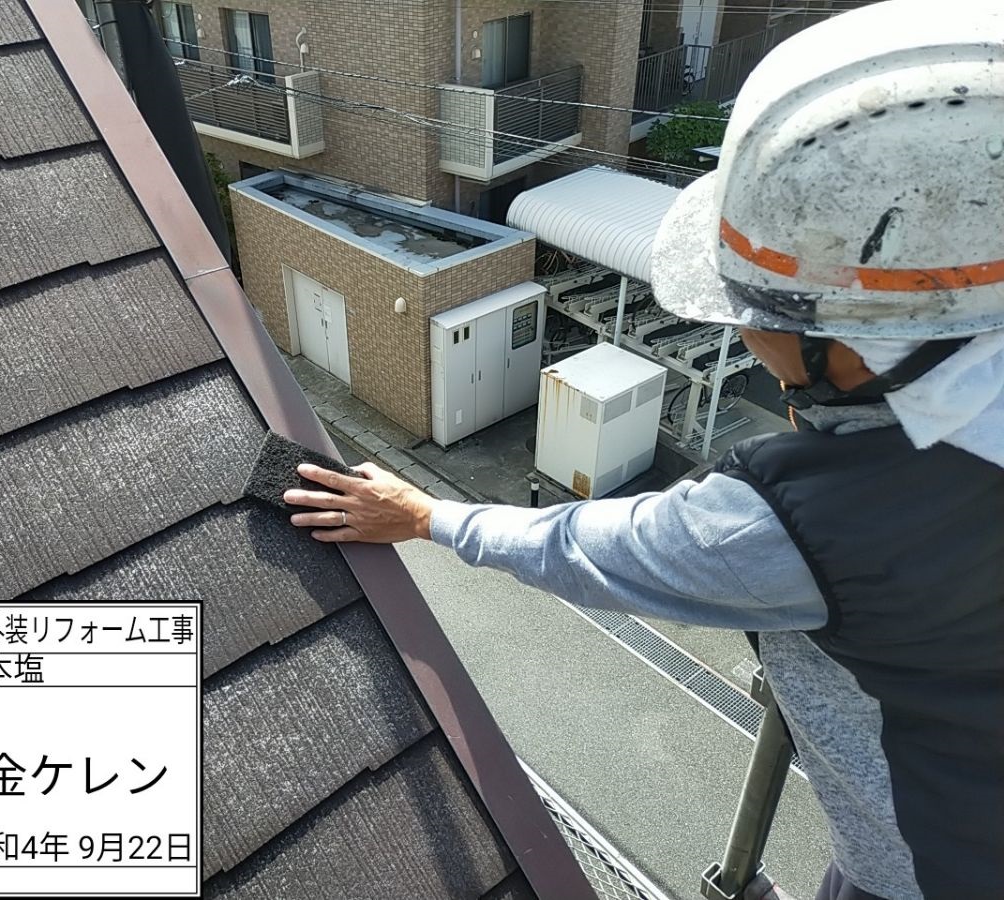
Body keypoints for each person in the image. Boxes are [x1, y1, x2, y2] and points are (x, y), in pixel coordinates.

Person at [284, 2, 1004, 897]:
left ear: (859, 343)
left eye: (759, 312)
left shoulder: (816, 519)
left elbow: (584, 547)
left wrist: (426, 515)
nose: (743, 336)